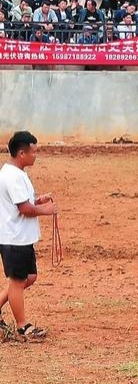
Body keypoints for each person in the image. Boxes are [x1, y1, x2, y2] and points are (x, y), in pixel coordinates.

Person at [0, 131, 58, 343]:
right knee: (17, 282)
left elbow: (24, 201)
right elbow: (24, 208)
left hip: (20, 237)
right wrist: (45, 210)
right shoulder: (13, 176)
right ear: (22, 153)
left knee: (28, 278)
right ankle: (22, 326)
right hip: (14, 238)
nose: (36, 155)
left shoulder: (16, 172)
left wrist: (37, 199)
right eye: (33, 152)